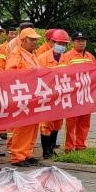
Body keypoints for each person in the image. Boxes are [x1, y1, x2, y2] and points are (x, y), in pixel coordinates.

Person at [5, 27, 43, 166]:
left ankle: (27, 153)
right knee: (22, 127)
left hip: (33, 95)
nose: (34, 42)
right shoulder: (16, 54)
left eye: (35, 40)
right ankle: (18, 156)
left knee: (33, 126)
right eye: (31, 39)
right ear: (22, 40)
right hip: (23, 96)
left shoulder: (32, 54)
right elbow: (10, 73)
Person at [58, 31, 96, 151]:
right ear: (72, 42)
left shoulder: (90, 56)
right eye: (78, 40)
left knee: (85, 121)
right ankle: (70, 147)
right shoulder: (66, 56)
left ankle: (80, 145)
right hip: (73, 95)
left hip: (86, 94)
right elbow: (61, 74)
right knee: (71, 122)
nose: (81, 43)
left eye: (83, 41)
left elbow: (95, 72)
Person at [38, 29, 68, 159]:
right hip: (47, 96)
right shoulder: (42, 58)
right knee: (46, 124)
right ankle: (46, 151)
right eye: (59, 43)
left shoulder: (66, 58)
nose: (62, 46)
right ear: (53, 42)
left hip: (60, 96)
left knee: (57, 123)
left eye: (64, 44)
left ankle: (51, 148)